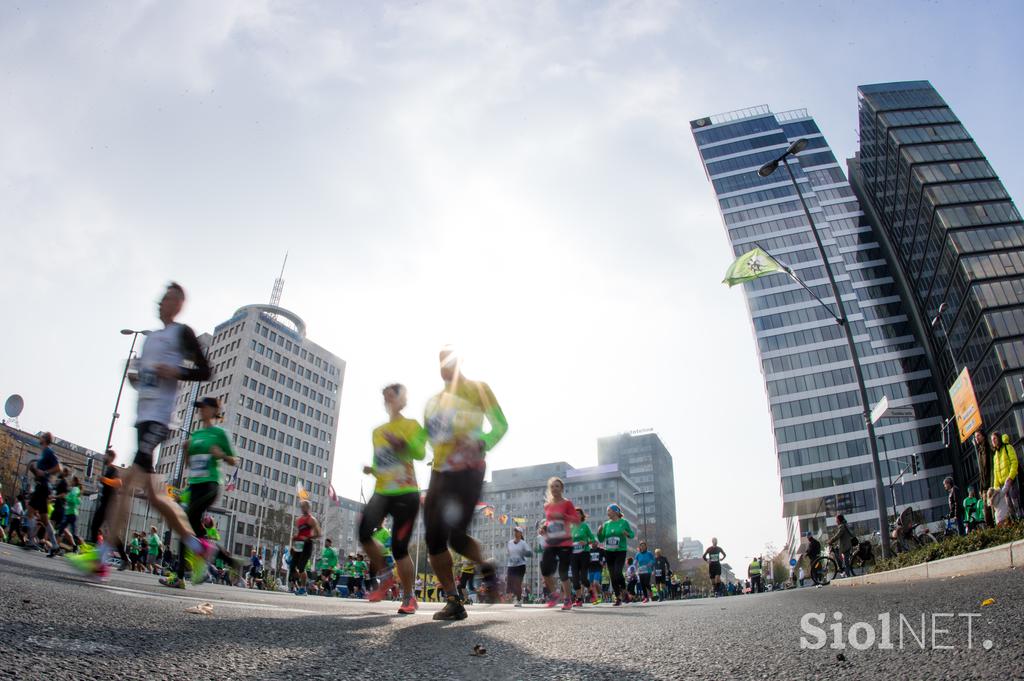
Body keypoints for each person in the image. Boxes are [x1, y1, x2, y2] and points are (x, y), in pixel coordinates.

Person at [94, 283, 216, 580]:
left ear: (179, 303)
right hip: (143, 419)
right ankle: (197, 546)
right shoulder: (150, 340)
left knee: (125, 483)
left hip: (160, 421)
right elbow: (145, 381)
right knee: (157, 496)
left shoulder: (181, 333)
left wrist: (177, 371)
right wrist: (136, 377)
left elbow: (205, 370)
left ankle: (101, 556)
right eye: (161, 298)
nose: (161, 302)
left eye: (168, 298)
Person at [422, 347, 509, 621]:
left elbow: (500, 425)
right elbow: (428, 440)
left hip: (469, 471)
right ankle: (453, 600)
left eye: (449, 360)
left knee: (457, 537)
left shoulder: (479, 389)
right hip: (439, 473)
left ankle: (486, 567)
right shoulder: (433, 402)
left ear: (461, 362)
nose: (444, 366)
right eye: (440, 362)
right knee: (434, 539)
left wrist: (481, 442)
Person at [155, 397, 238, 589]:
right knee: (187, 529)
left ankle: (183, 573)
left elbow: (234, 461)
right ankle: (222, 560)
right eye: (199, 408)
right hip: (194, 485)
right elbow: (191, 465)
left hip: (211, 484)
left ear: (214, 410)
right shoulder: (198, 434)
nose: (200, 410)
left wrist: (222, 455)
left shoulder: (220, 433)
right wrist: (186, 451)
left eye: (204, 407)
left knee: (184, 521)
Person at [358, 383, 426, 613]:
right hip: (382, 492)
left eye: (391, 397)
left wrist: (402, 443)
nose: (387, 401)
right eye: (384, 397)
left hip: (406, 493)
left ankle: (409, 598)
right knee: (363, 532)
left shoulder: (412, 425)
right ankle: (386, 577)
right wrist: (372, 470)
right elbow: (382, 466)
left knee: (399, 548)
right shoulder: (377, 432)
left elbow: (420, 453)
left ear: (401, 400)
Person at [538, 477, 579, 610]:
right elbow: (549, 521)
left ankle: (568, 599)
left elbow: (576, 520)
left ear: (562, 488)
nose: (555, 488)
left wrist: (564, 517)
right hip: (551, 542)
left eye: (557, 486)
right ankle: (554, 594)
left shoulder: (567, 503)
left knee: (563, 572)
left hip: (565, 543)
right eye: (552, 487)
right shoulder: (547, 505)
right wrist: (544, 527)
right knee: (545, 569)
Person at [24, 432, 61, 553]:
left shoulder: (49, 451)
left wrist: (44, 473)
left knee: (29, 511)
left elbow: (58, 468)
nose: (39, 438)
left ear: (45, 439)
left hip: (43, 488)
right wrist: (34, 470)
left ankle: (31, 541)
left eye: (41, 436)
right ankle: (55, 545)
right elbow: (40, 472)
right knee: (44, 519)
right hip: (42, 487)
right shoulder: (43, 452)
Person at [597, 503, 634, 606]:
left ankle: (624, 591)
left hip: (620, 551)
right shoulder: (606, 524)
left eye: (609, 510)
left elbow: (632, 534)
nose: (607, 512)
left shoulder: (624, 522)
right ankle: (618, 597)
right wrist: (599, 532)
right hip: (609, 552)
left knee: (618, 572)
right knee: (612, 575)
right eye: (607, 510)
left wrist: (627, 534)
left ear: (615, 511)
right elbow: (601, 539)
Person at [88, 450, 120, 545]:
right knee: (96, 526)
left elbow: (118, 483)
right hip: (105, 503)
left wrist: (104, 479)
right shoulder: (108, 470)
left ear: (110, 457)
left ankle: (94, 551)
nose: (103, 457)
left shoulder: (114, 470)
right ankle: (124, 557)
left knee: (95, 526)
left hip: (109, 505)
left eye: (105, 455)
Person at [290, 500, 321, 595]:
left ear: (308, 507)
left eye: (304, 506)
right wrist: (293, 544)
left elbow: (318, 534)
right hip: (298, 545)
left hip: (307, 544)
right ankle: (302, 583)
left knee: (301, 567)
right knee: (292, 567)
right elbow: (299, 533)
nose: (302, 508)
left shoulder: (312, 519)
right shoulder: (298, 520)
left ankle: (303, 589)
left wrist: (308, 537)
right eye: (301, 507)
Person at [570, 508, 597, 607]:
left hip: (584, 554)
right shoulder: (571, 527)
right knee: (575, 579)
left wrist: (586, 542)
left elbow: (593, 539)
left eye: (578, 514)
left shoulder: (585, 526)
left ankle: (592, 593)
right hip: (573, 555)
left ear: (582, 516)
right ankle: (579, 599)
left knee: (583, 578)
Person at [991, 431, 1020, 520]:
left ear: (999, 438)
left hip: (1011, 481)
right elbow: (995, 473)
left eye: (995, 438)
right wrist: (996, 488)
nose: (993, 441)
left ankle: (1021, 521)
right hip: (1003, 486)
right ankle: (1016, 524)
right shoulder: (995, 455)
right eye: (992, 440)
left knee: (1016, 503)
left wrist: (1011, 477)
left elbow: (1014, 462)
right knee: (1008, 506)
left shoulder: (1008, 447)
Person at [506, 526, 532, 607]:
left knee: (517, 583)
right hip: (511, 565)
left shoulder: (523, 543)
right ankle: (515, 596)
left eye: (517, 531)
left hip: (520, 566)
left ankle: (519, 599)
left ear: (521, 533)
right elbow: (509, 553)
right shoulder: (510, 543)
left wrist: (524, 553)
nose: (515, 533)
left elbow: (530, 553)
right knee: (510, 581)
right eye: (515, 531)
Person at [47, 467, 70, 557]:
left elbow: (64, 494)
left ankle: (56, 548)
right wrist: (52, 498)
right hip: (57, 507)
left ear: (65, 473)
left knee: (60, 530)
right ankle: (54, 546)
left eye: (62, 471)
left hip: (61, 508)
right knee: (51, 524)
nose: (60, 472)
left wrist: (55, 497)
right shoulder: (59, 481)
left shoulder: (64, 483)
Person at [56, 475, 82, 551]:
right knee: (61, 530)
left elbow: (74, 500)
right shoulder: (74, 489)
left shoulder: (75, 489)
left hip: (72, 514)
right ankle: (56, 547)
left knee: (74, 534)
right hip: (69, 513)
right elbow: (77, 500)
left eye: (72, 480)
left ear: (75, 481)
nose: (70, 482)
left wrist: (66, 497)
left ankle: (78, 547)